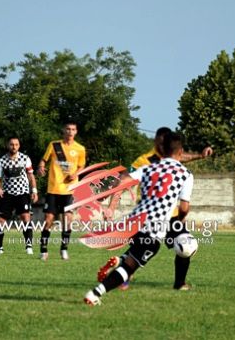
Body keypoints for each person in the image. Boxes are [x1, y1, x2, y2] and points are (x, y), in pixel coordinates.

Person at [84, 131, 194, 306]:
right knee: (130, 267)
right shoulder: (185, 174)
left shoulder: (148, 168)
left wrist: (104, 195)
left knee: (132, 260)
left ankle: (117, 266)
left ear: (162, 149)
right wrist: (180, 219)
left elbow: (123, 179)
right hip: (155, 226)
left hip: (134, 221)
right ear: (180, 151)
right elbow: (184, 208)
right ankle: (95, 293)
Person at [105, 126, 212, 290]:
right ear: (156, 142)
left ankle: (179, 283)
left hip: (171, 217)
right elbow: (123, 181)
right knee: (143, 250)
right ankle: (122, 272)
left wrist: (200, 156)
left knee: (185, 246)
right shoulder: (144, 161)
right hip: (149, 216)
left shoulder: (170, 159)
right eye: (161, 143)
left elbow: (183, 157)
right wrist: (111, 207)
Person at [37, 122, 86, 261]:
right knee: (48, 220)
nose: (70, 131)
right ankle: (43, 250)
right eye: (68, 129)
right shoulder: (54, 145)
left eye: (73, 129)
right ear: (63, 130)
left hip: (70, 190)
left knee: (67, 220)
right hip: (53, 188)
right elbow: (43, 160)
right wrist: (41, 167)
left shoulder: (80, 149)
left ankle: (64, 249)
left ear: (76, 132)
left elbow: (82, 166)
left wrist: (76, 174)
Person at [0, 137, 38, 255]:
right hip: (7, 194)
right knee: (0, 221)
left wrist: (34, 190)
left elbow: (31, 176)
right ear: (8, 145)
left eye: (16, 144)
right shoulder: (2, 160)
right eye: (12, 144)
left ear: (19, 146)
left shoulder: (25, 158)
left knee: (26, 218)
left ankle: (29, 246)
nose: (14, 147)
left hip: (22, 193)